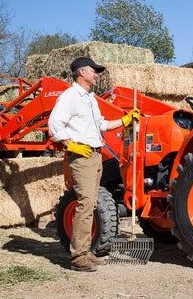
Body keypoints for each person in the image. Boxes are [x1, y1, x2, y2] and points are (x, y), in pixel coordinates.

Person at [48, 56, 139, 272]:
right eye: (93, 70)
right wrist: (70, 146)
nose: (96, 74)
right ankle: (78, 256)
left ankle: (86, 251)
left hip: (95, 154)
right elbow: (54, 124)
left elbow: (101, 125)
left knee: (92, 204)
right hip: (81, 156)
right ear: (81, 72)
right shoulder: (70, 96)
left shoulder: (90, 98)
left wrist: (124, 121)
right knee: (86, 203)